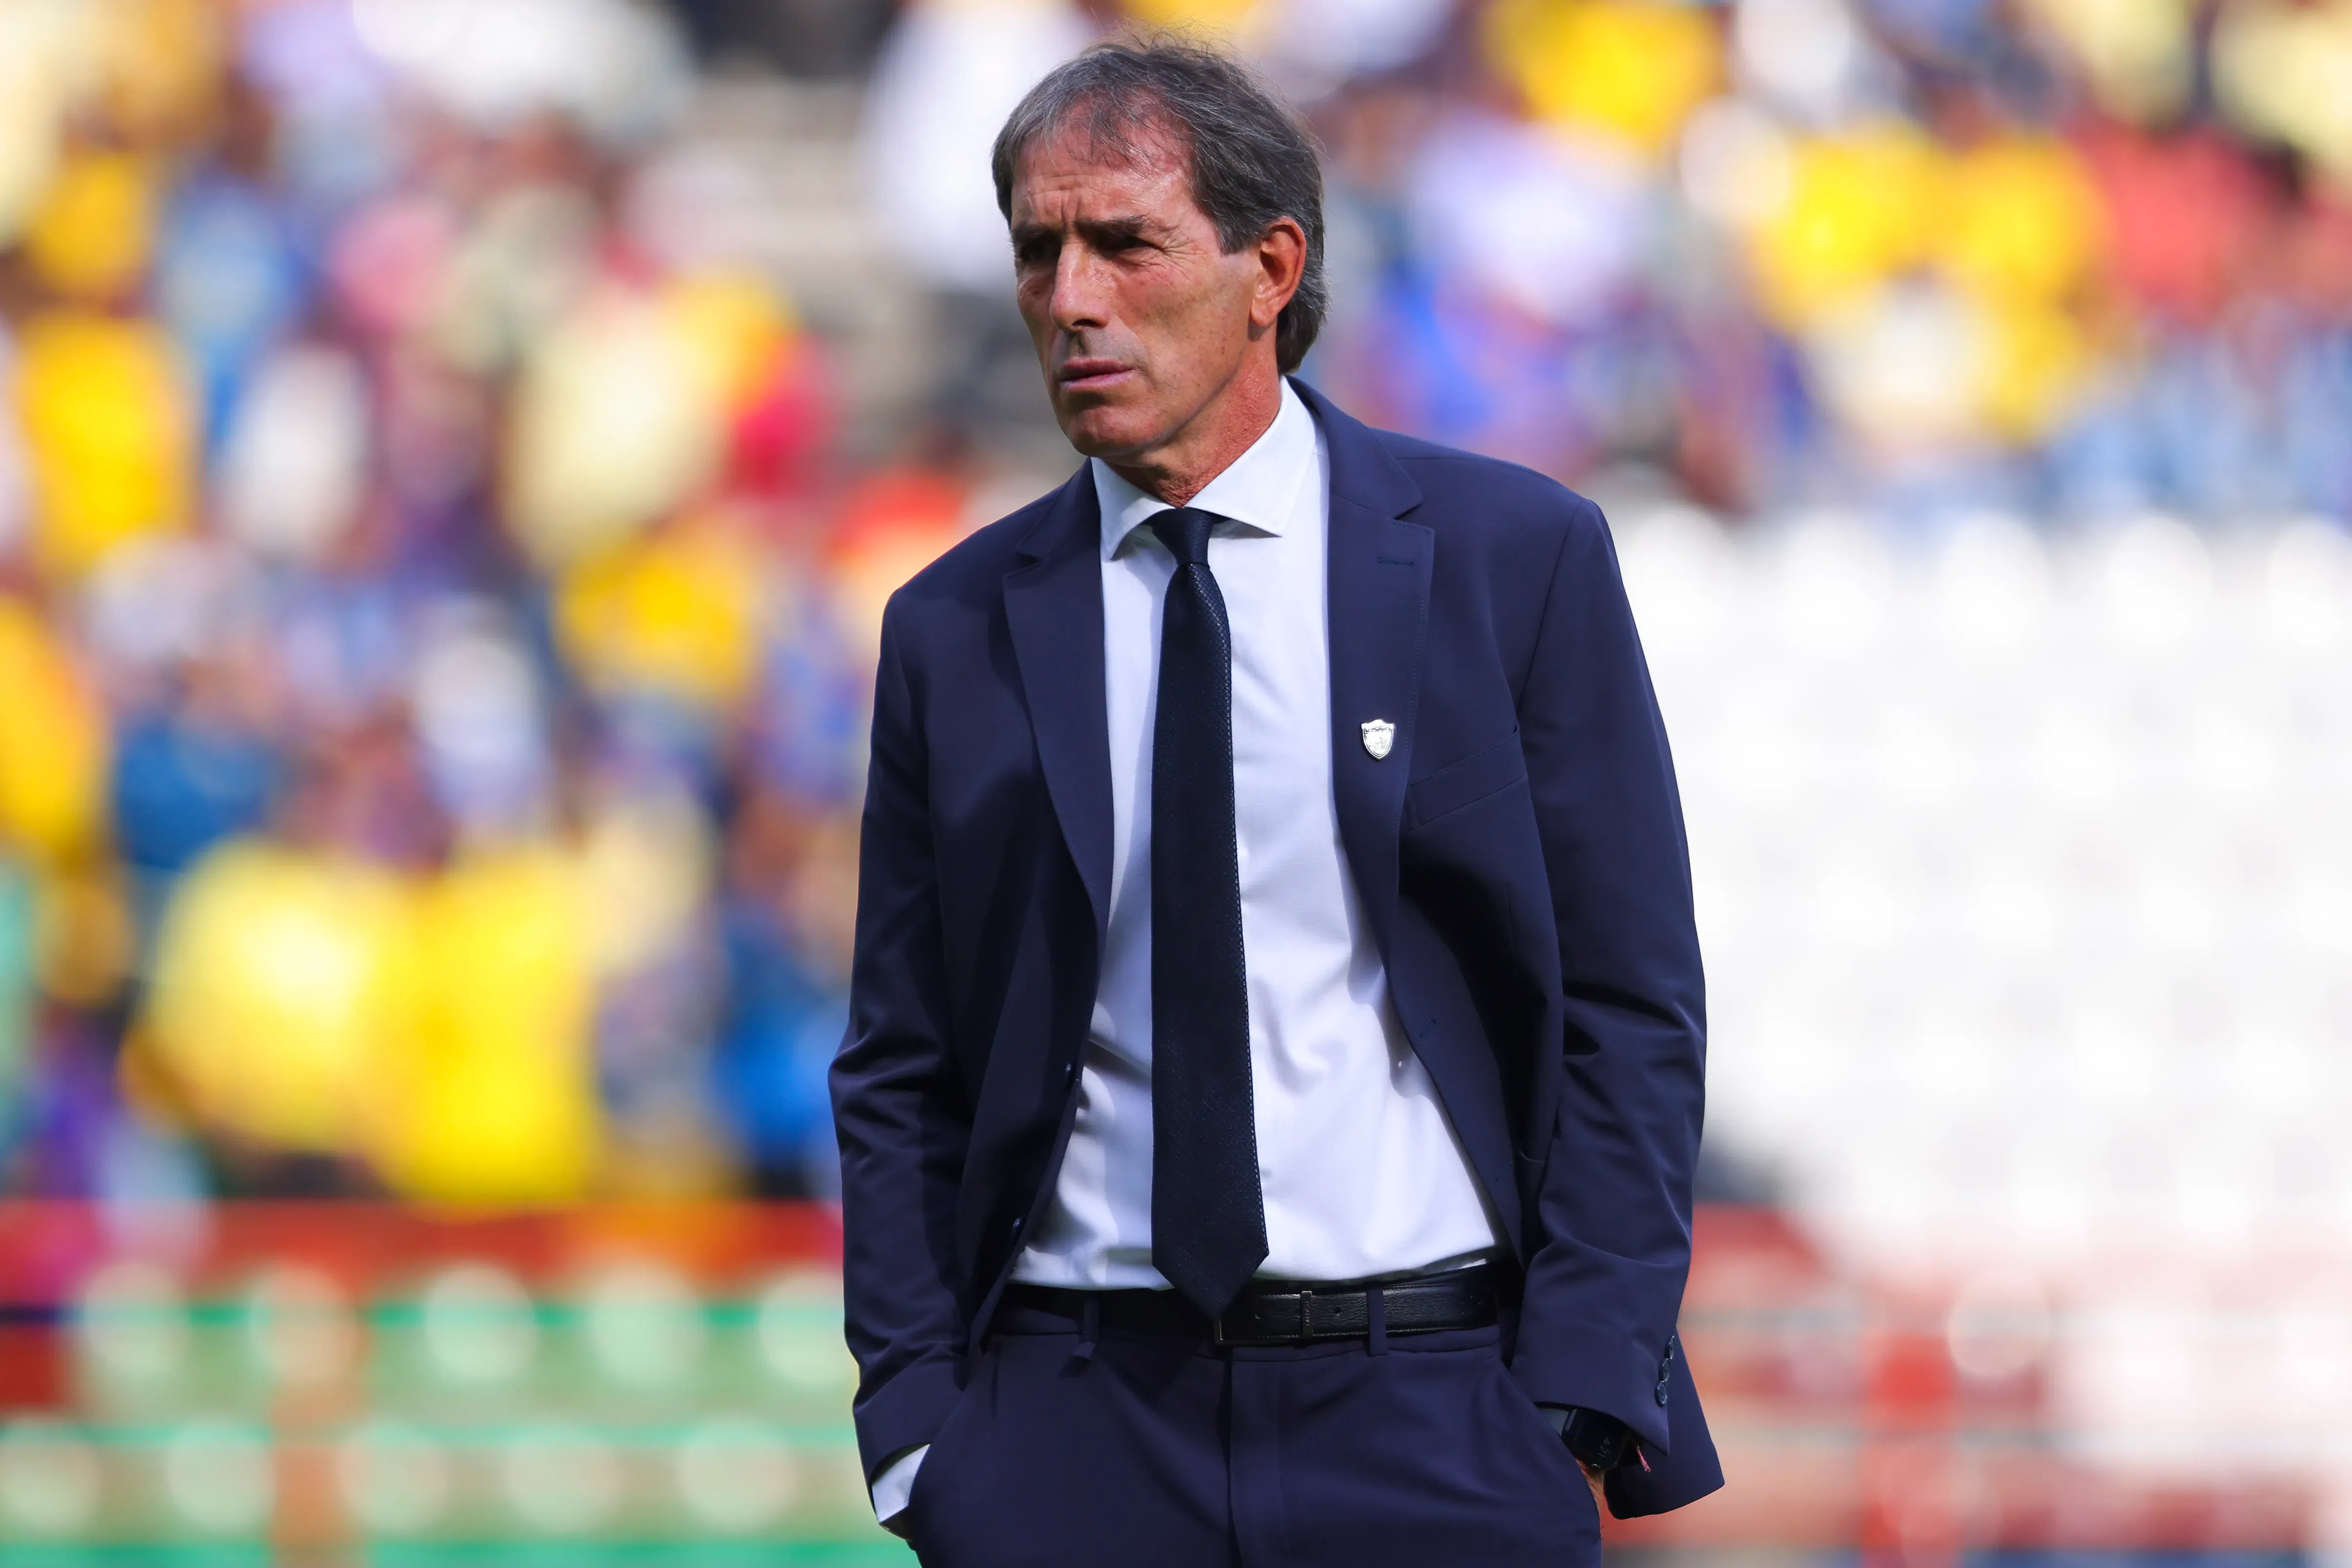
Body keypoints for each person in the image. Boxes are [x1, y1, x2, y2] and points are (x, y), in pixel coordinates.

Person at [832, 39, 1720, 1566]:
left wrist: (1571, 1395)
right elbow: (903, 1064)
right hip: (1069, 1426)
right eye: (1038, 251)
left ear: (1271, 267)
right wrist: (925, 1436)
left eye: (1126, 243)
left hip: (1438, 1415)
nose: (1072, 298)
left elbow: (1630, 1006)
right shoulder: (953, 624)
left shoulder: (1514, 560)